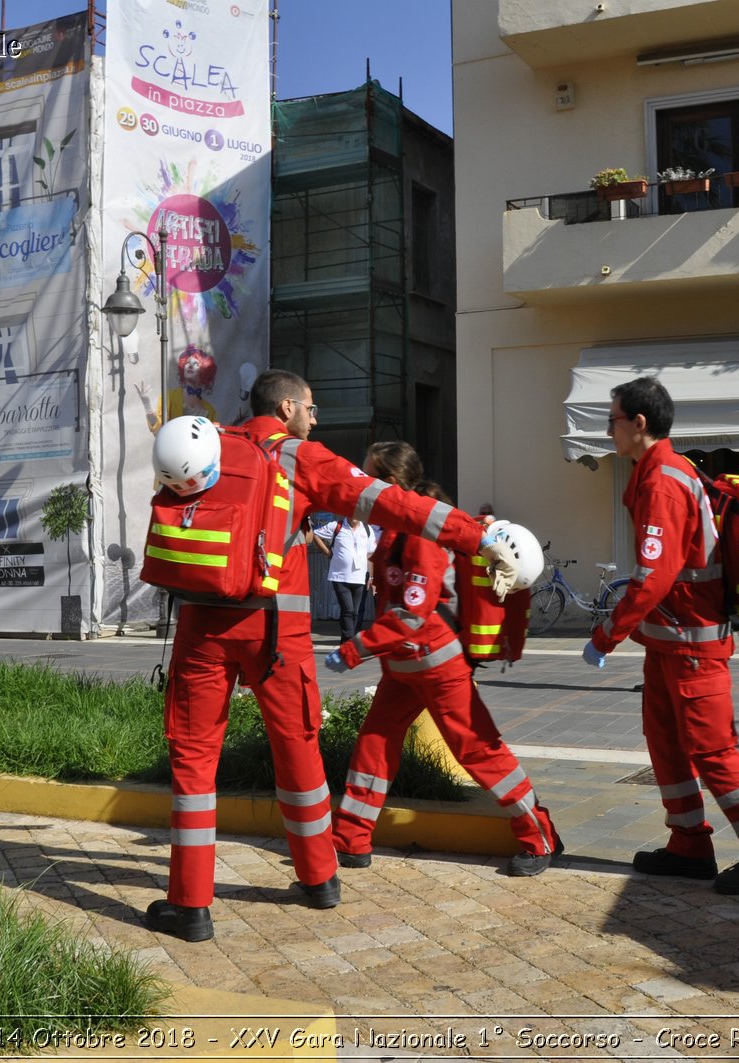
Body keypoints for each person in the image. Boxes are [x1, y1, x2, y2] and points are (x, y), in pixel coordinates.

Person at [149, 369, 522, 942]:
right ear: (290, 407)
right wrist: (480, 537)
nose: (315, 418)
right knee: (296, 751)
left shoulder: (210, 443)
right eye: (313, 408)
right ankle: (319, 878)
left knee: (195, 765)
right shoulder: (299, 457)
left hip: (202, 626)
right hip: (278, 634)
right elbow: (392, 503)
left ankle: (190, 906)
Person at [581, 377, 739, 895]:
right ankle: (689, 846)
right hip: (670, 645)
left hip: (693, 648)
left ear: (638, 424)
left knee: (712, 750)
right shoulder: (662, 472)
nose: (608, 430)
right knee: (667, 744)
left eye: (612, 420)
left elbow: (653, 576)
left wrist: (606, 634)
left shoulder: (662, 482)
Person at [325, 443, 561, 875]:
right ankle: (351, 838)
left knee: (478, 751)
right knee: (374, 748)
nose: (359, 484)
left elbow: (413, 614)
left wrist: (356, 647)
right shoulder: (394, 531)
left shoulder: (419, 534)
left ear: (391, 484)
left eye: (367, 476)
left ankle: (539, 836)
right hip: (404, 666)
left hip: (436, 666)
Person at [311, 515, 376, 641]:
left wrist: (371, 577)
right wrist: (327, 553)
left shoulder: (367, 529)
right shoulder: (336, 526)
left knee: (355, 613)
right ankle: (349, 643)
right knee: (348, 610)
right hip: (340, 577)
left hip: (360, 578)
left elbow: (370, 555)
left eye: (357, 513)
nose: (354, 516)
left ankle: (346, 642)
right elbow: (315, 534)